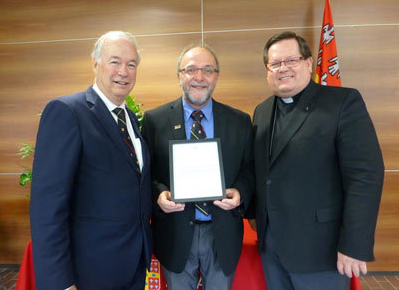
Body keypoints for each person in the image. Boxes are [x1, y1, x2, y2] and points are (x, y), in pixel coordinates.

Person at [248, 31, 384, 290]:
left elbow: (365, 177)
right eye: (275, 64)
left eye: (291, 60)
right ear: (267, 70)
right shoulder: (262, 111)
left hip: (322, 251)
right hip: (272, 249)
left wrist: (354, 245)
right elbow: (262, 171)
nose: (283, 68)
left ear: (309, 63)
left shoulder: (342, 102)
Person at [30, 31, 152, 290]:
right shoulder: (67, 112)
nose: (124, 71)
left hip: (132, 267)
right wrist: (60, 283)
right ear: (95, 63)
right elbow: (47, 208)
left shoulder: (129, 118)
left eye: (132, 64)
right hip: (88, 273)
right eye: (115, 61)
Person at [142, 43, 254, 290]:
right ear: (180, 75)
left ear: (216, 76)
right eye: (191, 70)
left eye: (207, 70)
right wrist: (159, 194)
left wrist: (240, 192)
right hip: (175, 233)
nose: (199, 78)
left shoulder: (240, 121)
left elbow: (249, 170)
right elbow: (146, 174)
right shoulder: (155, 120)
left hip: (222, 232)